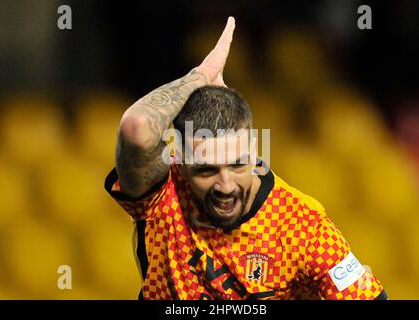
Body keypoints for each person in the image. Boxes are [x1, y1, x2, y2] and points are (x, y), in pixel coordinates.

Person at [104, 17, 387, 300]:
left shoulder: (302, 226)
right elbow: (137, 127)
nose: (225, 185)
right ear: (179, 158)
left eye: (238, 164)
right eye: (206, 170)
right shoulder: (161, 195)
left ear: (253, 149)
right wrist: (199, 77)